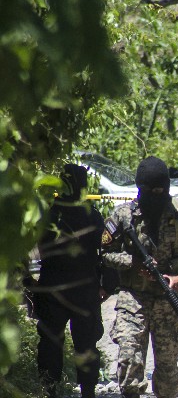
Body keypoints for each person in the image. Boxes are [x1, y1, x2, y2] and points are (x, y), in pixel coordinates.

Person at [101, 156, 178, 398]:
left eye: (161, 190)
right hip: (134, 297)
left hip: (169, 299)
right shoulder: (124, 216)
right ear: (140, 188)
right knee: (129, 363)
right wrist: (133, 263)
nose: (156, 194)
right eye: (150, 190)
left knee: (168, 369)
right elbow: (106, 253)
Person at [34, 164, 106, 398]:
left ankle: (50, 390)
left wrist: (29, 280)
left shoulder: (47, 214)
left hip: (52, 287)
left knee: (50, 344)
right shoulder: (92, 215)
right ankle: (87, 391)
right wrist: (106, 285)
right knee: (85, 344)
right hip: (84, 289)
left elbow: (30, 250)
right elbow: (105, 253)